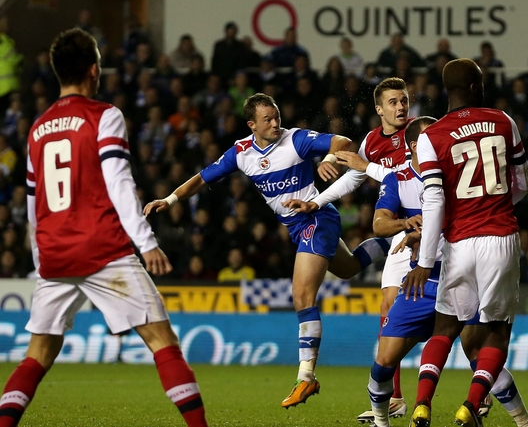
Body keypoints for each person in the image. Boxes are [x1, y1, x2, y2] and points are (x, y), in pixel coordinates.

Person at [0, 28, 208, 427]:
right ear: (94, 70)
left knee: (37, 355)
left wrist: (40, 257)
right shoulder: (104, 115)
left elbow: (33, 202)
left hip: (54, 252)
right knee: (162, 343)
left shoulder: (37, 128)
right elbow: (119, 182)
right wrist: (146, 242)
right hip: (102, 248)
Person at [143, 93, 387, 408]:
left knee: (301, 295)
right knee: (350, 267)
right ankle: (394, 239)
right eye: (267, 120)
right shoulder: (241, 153)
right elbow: (201, 179)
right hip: (296, 227)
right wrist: (171, 200)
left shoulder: (296, 140)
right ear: (251, 125)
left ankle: (306, 377)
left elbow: (343, 141)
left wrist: (327, 158)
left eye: (276, 116)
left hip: (317, 218)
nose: (275, 124)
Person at [361, 117, 528, 427]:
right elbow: (379, 225)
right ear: (416, 146)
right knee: (385, 359)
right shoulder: (398, 179)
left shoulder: (457, 172)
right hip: (424, 282)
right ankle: (381, 421)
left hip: (459, 273)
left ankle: (522, 422)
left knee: (478, 351)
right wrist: (406, 225)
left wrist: (426, 230)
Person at [404, 58, 528, 427]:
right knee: (496, 331)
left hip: (459, 243)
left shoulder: (430, 136)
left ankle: (422, 404)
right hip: (500, 237)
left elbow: (434, 200)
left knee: (445, 328)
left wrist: (425, 261)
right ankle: (469, 406)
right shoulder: (503, 121)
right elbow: (522, 182)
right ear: (476, 87)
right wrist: (497, 202)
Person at [285, 77, 414, 415]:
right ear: (379, 109)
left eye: (404, 100)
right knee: (389, 310)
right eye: (393, 102)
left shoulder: (422, 134)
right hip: (403, 230)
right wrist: (317, 201)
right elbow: (357, 177)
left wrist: (365, 166)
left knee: (453, 315)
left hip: (434, 226)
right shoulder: (372, 140)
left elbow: (404, 175)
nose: (401, 107)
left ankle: (485, 383)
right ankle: (396, 398)